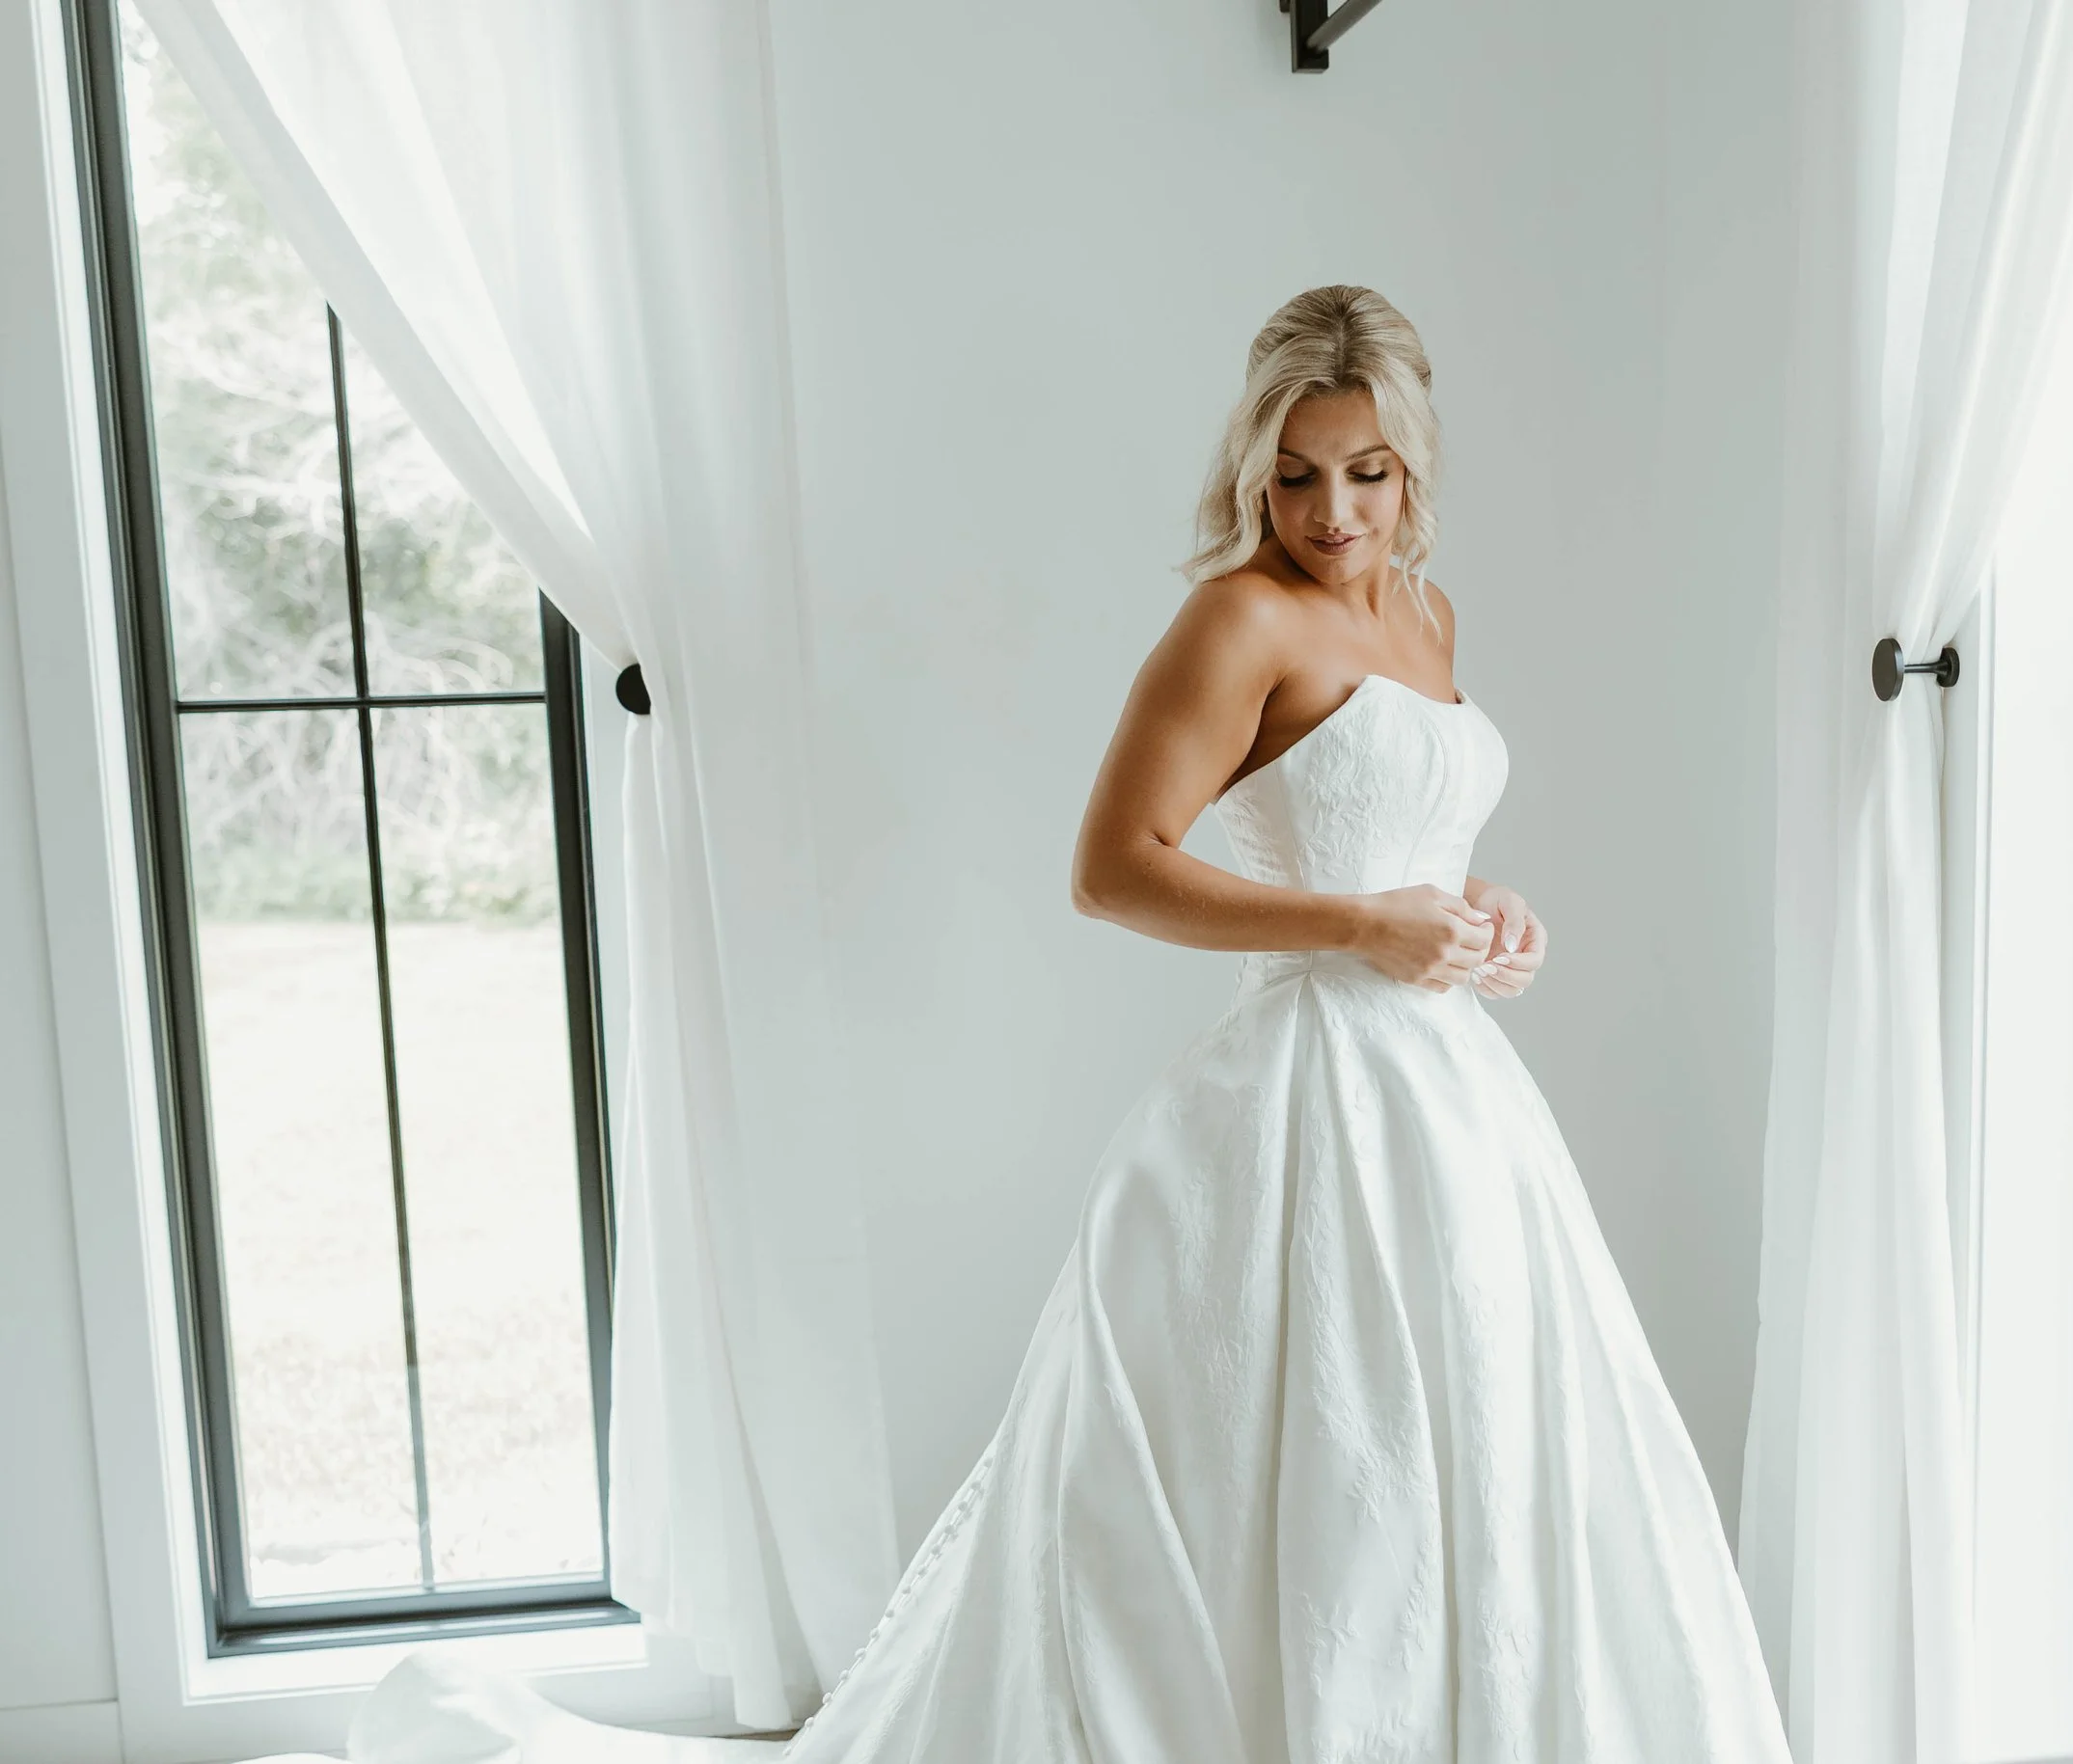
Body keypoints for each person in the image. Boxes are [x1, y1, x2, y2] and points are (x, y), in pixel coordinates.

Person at [345, 285, 1792, 1763]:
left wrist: (1481, 907)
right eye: (1296, 473)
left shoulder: (1426, 614)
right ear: (1255, 464)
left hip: (1455, 1103)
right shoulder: (1237, 617)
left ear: (1412, 461)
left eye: (1366, 472)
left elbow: (1400, 831)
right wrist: (1362, 926)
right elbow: (1114, 870)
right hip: (1307, 1101)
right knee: (1305, 1453)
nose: (1331, 511)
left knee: (1471, 1447)